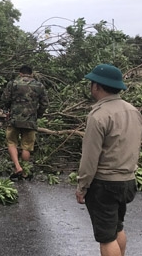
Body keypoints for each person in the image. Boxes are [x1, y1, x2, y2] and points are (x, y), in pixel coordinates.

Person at [76, 64, 142, 256]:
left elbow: (90, 158)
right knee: (117, 227)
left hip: (104, 185)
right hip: (128, 181)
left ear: (97, 86)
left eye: (91, 83)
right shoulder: (133, 111)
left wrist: (82, 186)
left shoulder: (98, 116)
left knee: (106, 237)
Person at [1, 65, 48, 180]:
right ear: (31, 74)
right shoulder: (39, 85)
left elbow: (5, 99)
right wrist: (38, 114)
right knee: (26, 146)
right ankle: (24, 171)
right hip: (30, 121)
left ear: (20, 73)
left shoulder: (13, 83)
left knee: (11, 142)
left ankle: (17, 166)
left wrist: (6, 110)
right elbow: (45, 103)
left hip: (14, 120)